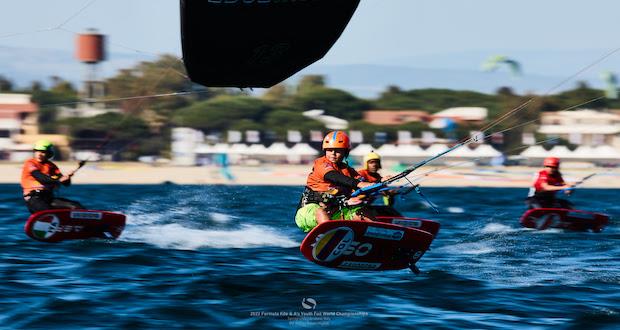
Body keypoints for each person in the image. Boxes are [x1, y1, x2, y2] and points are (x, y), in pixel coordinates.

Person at [295, 131, 374, 232]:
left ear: (345, 152)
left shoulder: (348, 170)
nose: (333, 153)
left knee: (361, 212)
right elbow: (334, 176)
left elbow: (363, 181)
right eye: (330, 150)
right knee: (320, 212)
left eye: (338, 150)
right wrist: (359, 184)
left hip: (334, 211)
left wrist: (379, 182)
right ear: (325, 150)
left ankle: (378, 234)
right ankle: (329, 237)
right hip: (307, 212)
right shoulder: (321, 164)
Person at [21, 140, 85, 214]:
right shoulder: (30, 163)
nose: (39, 154)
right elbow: (41, 178)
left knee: (76, 206)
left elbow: (66, 184)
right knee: (49, 212)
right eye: (37, 151)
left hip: (49, 198)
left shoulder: (52, 166)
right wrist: (58, 180)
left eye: (43, 152)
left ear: (48, 154)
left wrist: (67, 177)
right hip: (34, 198)